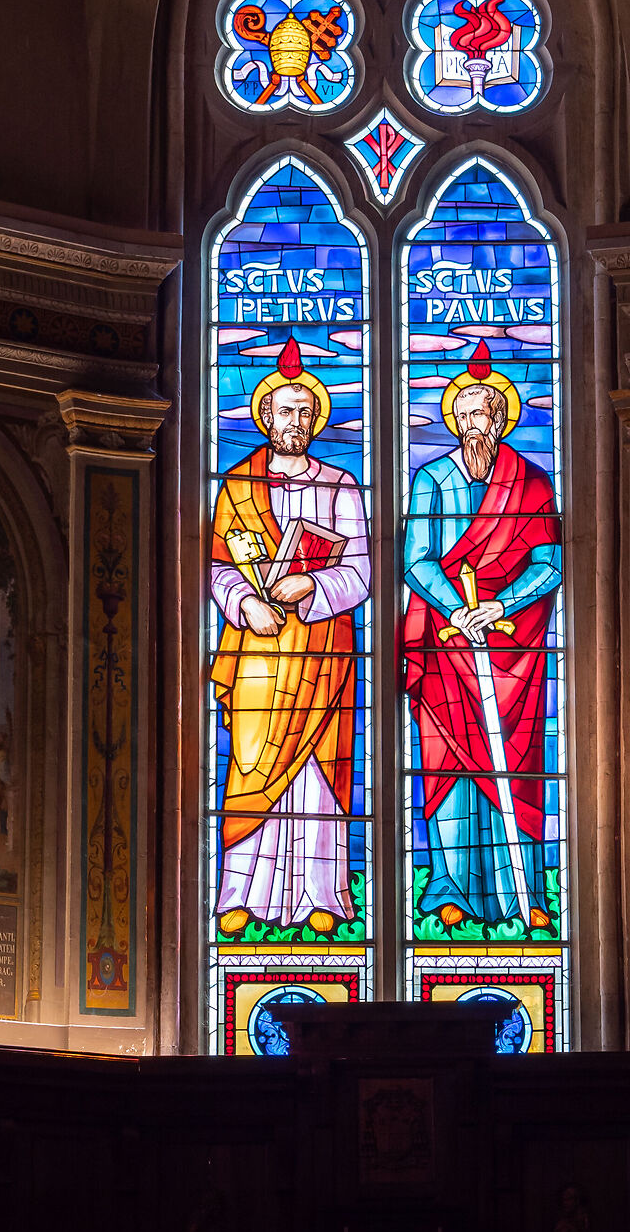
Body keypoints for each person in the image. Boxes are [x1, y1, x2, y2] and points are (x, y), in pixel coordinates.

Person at [210, 337, 371, 937]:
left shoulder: (342, 484)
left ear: (317, 418)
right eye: (285, 410)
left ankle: (321, 894)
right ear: (265, 415)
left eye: (307, 412)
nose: (296, 421)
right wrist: (244, 601)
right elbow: (216, 563)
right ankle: (241, 891)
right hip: (257, 647)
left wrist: (311, 586)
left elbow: (362, 568)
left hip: (323, 649)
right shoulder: (237, 484)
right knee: (252, 764)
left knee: (317, 771)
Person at [401, 340, 562, 931]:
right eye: (465, 415)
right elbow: (418, 560)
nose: (475, 425)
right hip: (446, 644)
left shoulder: (532, 482)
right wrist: (458, 612)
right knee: (447, 761)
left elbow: (552, 565)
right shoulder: (432, 479)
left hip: (514, 647)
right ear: (455, 420)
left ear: (501, 419)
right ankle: (450, 889)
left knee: (515, 763)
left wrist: (499, 605)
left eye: (485, 414)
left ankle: (518, 896)